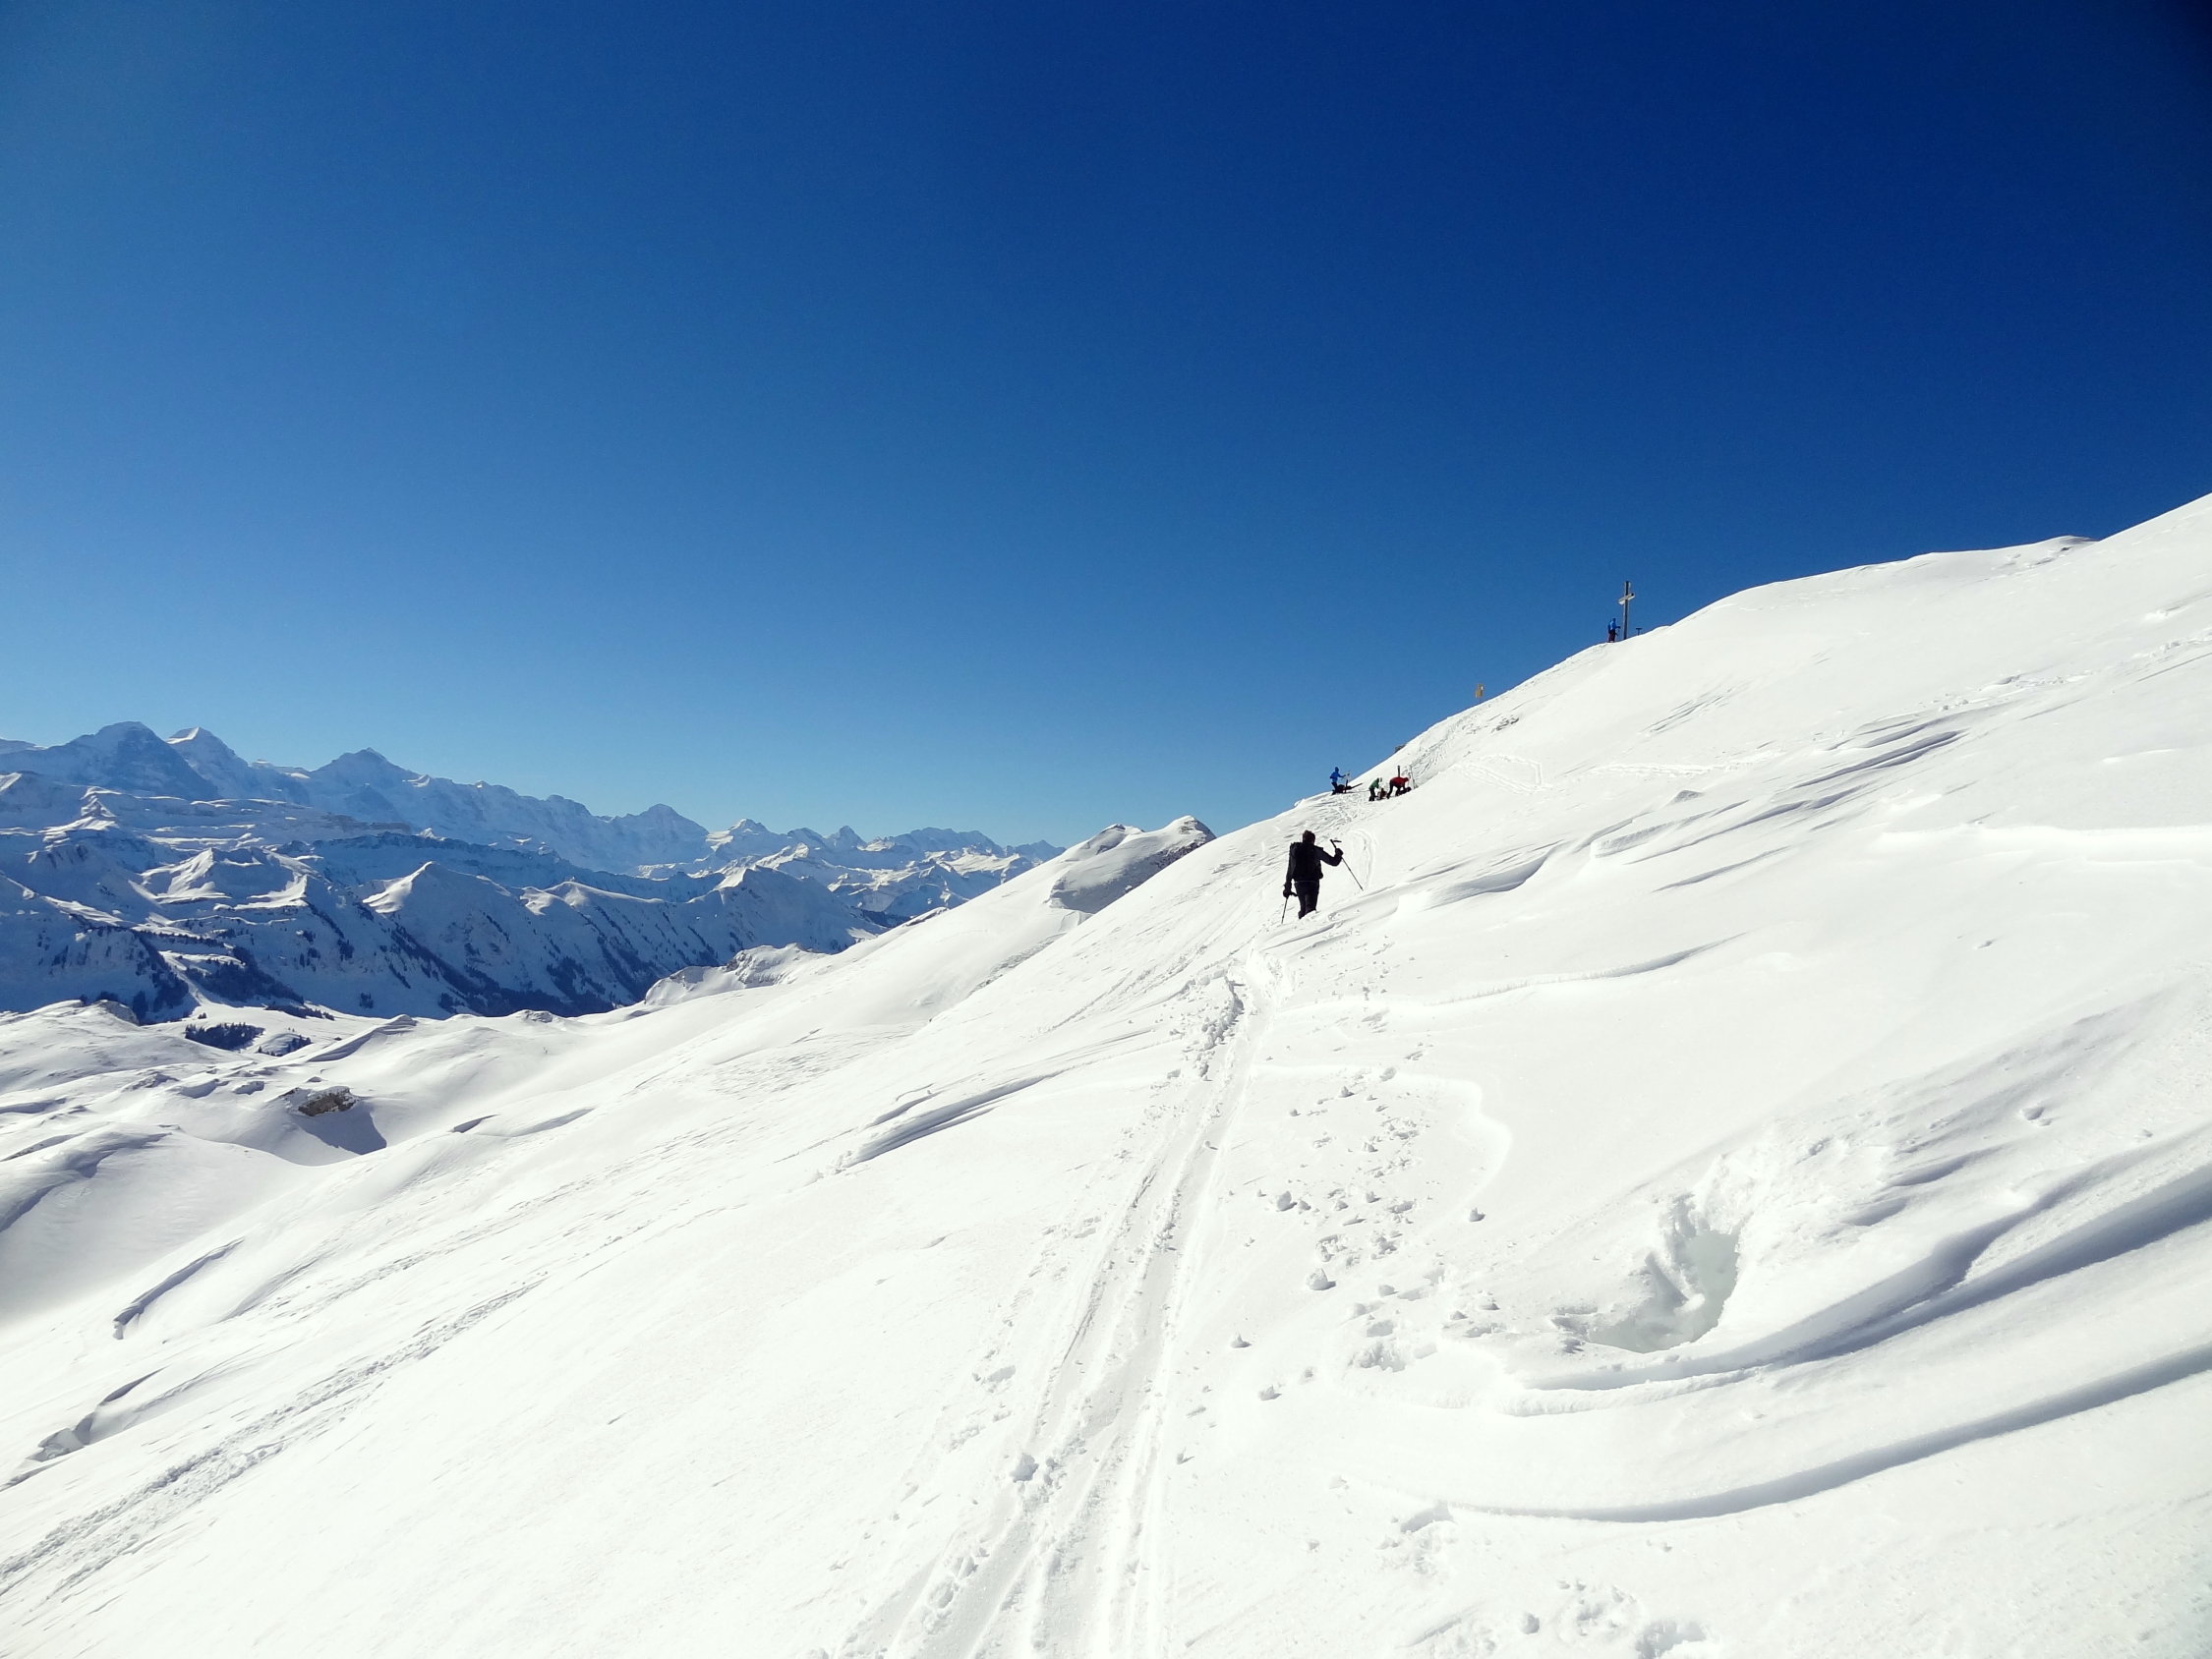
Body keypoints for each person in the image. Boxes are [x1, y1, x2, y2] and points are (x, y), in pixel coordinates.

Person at [1282, 830, 1344, 918]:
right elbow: (1333, 862)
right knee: (1310, 909)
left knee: (1303, 908)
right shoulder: (1314, 850)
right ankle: (1308, 925)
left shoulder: (1295, 850)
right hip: (1312, 882)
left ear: (1303, 839)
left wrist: (1287, 887)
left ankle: (1301, 924)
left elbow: (1290, 869)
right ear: (1313, 840)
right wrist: (1338, 854)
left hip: (1298, 883)